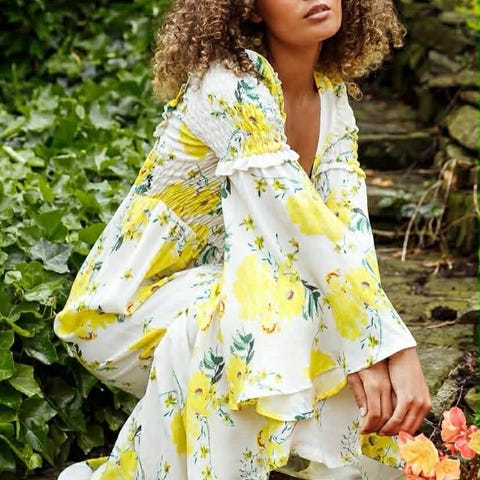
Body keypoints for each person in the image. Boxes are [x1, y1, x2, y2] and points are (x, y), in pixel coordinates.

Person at [55, 1, 432, 479]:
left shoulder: (332, 98)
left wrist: (377, 347)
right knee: (269, 302)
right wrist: (388, 344)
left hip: (217, 286)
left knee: (302, 296)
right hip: (122, 309)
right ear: (251, 10)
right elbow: (297, 219)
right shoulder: (229, 84)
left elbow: (344, 234)